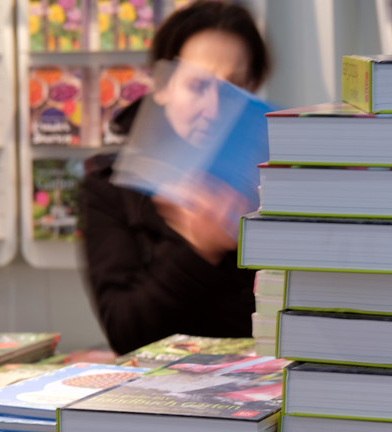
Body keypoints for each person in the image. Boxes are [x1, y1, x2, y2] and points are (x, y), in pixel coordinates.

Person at [80, 1, 271, 355]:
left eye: (235, 88)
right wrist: (198, 249)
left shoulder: (281, 176)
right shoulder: (110, 187)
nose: (214, 109)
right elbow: (124, 332)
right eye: (198, 86)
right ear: (162, 86)